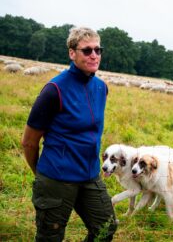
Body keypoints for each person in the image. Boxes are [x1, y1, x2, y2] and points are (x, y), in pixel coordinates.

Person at [21, 27, 117, 241]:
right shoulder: (54, 90)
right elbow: (28, 142)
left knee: (106, 228)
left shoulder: (101, 87)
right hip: (57, 177)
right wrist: (43, 175)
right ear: (72, 53)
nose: (94, 55)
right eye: (87, 50)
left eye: (98, 50)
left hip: (89, 176)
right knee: (50, 236)